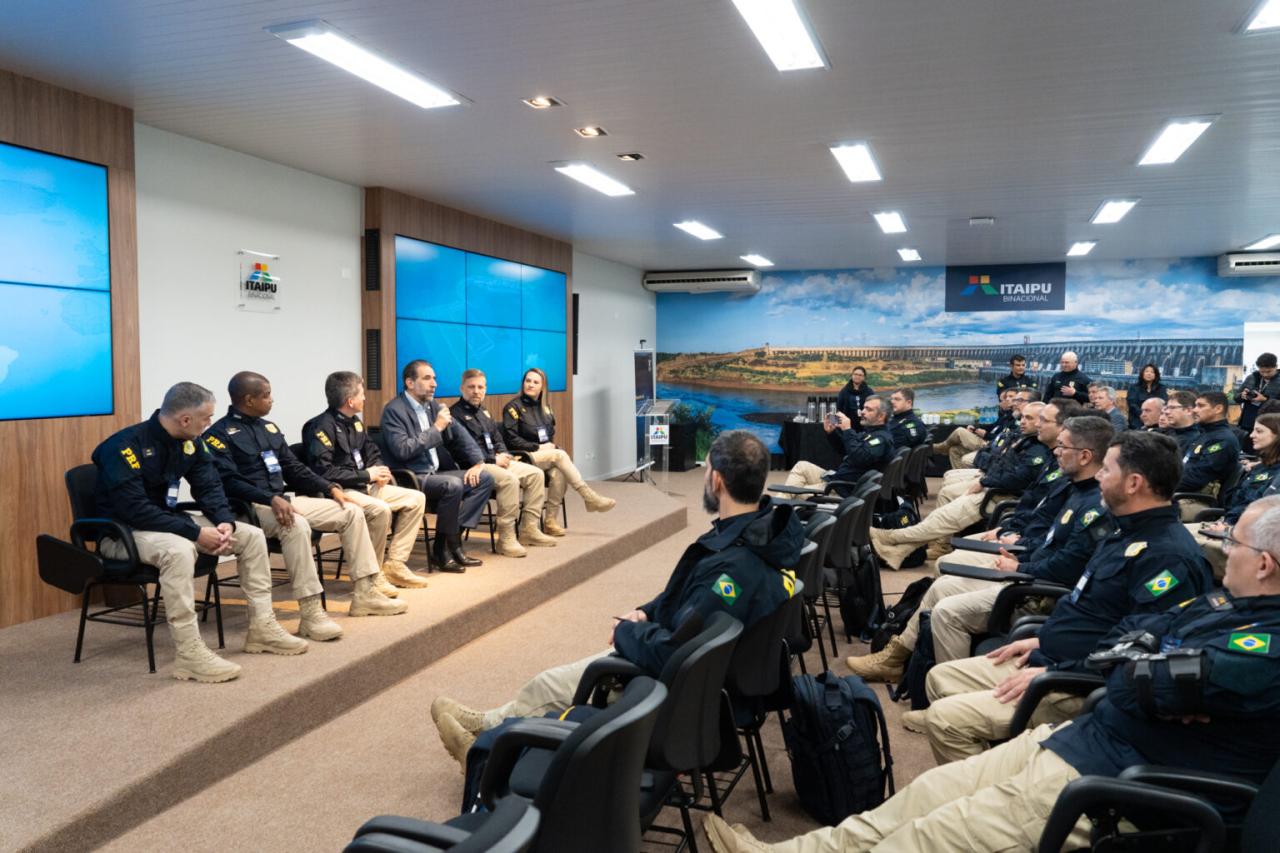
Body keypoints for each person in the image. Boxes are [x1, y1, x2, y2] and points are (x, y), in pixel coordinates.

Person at [702, 496, 1280, 853]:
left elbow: (1136, 677)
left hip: (1121, 784)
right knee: (924, 795)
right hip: (1084, 738)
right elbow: (1128, 653)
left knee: (928, 836)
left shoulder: (1266, 646)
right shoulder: (1226, 607)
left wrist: (1139, 662)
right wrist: (1141, 662)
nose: (1221, 546)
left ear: (1263, 563)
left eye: (1231, 540)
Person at [429, 430, 804, 765]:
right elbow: (688, 600)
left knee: (548, 684)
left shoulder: (732, 570)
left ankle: (484, 745)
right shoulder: (760, 538)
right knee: (560, 679)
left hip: (668, 688)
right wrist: (645, 612)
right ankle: (489, 724)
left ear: (716, 481)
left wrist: (628, 631)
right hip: (699, 673)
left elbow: (677, 649)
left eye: (706, 470)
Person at [915, 430, 1213, 764]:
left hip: (1074, 683)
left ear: (1133, 483)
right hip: (1051, 654)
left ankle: (996, 779)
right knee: (939, 678)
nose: (1098, 476)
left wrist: (1057, 669)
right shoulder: (1124, 531)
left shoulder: (1167, 558)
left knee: (945, 720)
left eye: (1106, 470)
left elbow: (1139, 654)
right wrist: (1041, 638)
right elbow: (1093, 611)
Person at [848, 415, 1111, 682]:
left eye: (1063, 446)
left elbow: (1065, 564)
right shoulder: (1075, 487)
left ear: (1085, 456)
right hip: (1025, 561)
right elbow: (1044, 532)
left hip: (1034, 588)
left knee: (947, 610)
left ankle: (950, 684)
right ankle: (897, 656)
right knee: (941, 585)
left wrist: (1021, 563)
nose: (1056, 451)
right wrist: (1017, 544)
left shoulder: (1092, 504)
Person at [92, 382, 304, 683]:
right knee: (178, 550)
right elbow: (135, 510)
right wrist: (194, 532)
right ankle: (189, 653)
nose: (209, 423)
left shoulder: (190, 441)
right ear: (185, 419)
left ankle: (262, 629)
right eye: (206, 418)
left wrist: (224, 521)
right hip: (123, 534)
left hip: (167, 523)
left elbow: (209, 485)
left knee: (251, 536)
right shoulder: (123, 447)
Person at [204, 372, 406, 631]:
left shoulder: (269, 428)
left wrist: (330, 487)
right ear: (249, 400)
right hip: (248, 507)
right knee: (295, 524)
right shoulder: (218, 435)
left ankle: (365, 594)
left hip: (281, 500)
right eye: (266, 395)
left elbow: (294, 468)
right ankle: (311, 612)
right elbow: (229, 482)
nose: (272, 399)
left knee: (351, 511)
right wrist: (270, 498)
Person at [871, 402, 1054, 569]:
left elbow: (1018, 479)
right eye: (1022, 417)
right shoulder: (1026, 440)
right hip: (996, 488)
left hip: (1001, 495)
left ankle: (890, 536)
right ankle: (898, 552)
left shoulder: (1039, 450)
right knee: (940, 516)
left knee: (942, 519)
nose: (1024, 421)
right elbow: (997, 460)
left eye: (1031, 418)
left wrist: (985, 481)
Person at [303, 371, 429, 588]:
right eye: (361, 393)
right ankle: (373, 573)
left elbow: (372, 452)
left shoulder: (355, 423)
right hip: (340, 492)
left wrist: (380, 471)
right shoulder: (320, 427)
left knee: (416, 499)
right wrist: (366, 475)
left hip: (364, 486)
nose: (365, 397)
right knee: (380, 510)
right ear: (350, 401)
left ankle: (395, 564)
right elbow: (323, 472)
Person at [381, 360, 495, 572]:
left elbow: (461, 436)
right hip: (413, 476)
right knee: (452, 485)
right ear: (410, 383)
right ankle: (443, 550)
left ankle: (450, 540)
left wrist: (478, 462)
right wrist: (437, 428)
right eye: (427, 378)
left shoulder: (433, 406)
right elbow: (403, 450)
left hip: (437, 472)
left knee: (485, 478)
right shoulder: (394, 411)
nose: (434, 383)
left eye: (434, 378)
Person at [450, 368, 558, 557]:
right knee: (510, 480)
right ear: (462, 388)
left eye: (480, 387)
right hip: (475, 466)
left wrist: (504, 454)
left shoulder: (484, 411)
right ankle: (506, 538)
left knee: (535, 474)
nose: (476, 391)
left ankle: (529, 529)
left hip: (497, 460)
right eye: (471, 387)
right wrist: (493, 459)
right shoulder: (455, 414)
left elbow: (497, 437)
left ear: (485, 389)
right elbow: (463, 450)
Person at [501, 367, 615, 535]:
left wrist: (547, 448)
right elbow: (511, 440)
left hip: (543, 457)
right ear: (523, 383)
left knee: (559, 473)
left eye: (535, 382)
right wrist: (538, 447)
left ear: (543, 387)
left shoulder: (546, 409)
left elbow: (549, 437)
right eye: (528, 381)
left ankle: (550, 521)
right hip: (520, 457)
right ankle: (588, 496)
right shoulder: (513, 407)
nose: (530, 384)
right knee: (559, 455)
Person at [782, 396, 894, 497]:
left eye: (869, 410)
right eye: (863, 408)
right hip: (837, 479)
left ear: (881, 416)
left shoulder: (881, 439)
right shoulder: (869, 433)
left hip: (844, 488)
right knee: (801, 466)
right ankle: (783, 507)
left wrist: (847, 430)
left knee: (797, 494)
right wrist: (832, 433)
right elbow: (845, 449)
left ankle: (782, 508)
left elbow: (859, 457)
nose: (862, 412)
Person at [932, 388, 1015, 470]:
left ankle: (942, 447)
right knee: (954, 450)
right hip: (986, 441)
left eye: (1002, 400)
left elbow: (1004, 439)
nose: (1000, 403)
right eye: (1002, 400)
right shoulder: (1005, 416)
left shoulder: (1014, 419)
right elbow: (992, 426)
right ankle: (961, 477)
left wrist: (986, 435)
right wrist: (975, 429)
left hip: (990, 446)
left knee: (959, 431)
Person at [1178, 390, 1241, 496]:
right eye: (1195, 406)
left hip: (1196, 498)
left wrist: (1161, 485)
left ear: (1218, 409)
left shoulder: (1222, 440)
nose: (1195, 410)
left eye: (1200, 406)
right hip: (1180, 491)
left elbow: (1196, 478)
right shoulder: (1204, 434)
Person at [1236, 351, 1278, 433]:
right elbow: (1236, 397)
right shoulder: (1251, 377)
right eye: (1262, 371)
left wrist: (1265, 400)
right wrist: (1242, 395)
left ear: (1276, 367)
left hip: (1270, 424)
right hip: (1247, 422)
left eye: (1269, 371)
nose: (1265, 374)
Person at [1126, 363, 1166, 429]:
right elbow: (1132, 405)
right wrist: (1144, 415)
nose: (1149, 374)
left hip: (1156, 419)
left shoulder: (1161, 388)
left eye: (1152, 372)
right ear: (1142, 374)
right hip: (1138, 418)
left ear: (1156, 375)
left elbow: (1163, 403)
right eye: (1146, 371)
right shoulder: (1134, 387)